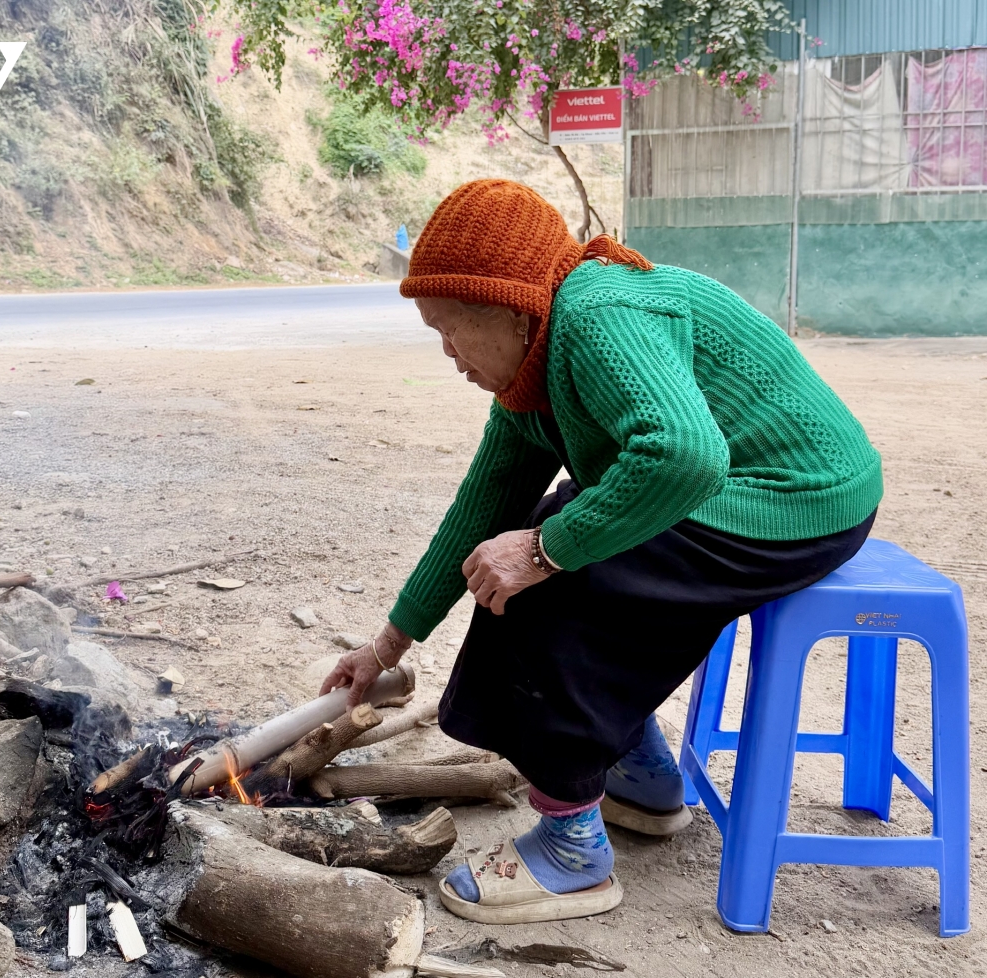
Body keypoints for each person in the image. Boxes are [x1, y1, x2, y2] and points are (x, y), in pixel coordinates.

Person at [320, 180, 882, 924]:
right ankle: (641, 776)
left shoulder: (596, 314)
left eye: (450, 331)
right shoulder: (532, 370)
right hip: (736, 493)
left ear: (511, 310)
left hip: (796, 500)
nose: (451, 356)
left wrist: (547, 553)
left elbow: (684, 456)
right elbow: (478, 511)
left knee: (553, 585)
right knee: (519, 547)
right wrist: (387, 644)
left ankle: (575, 855)